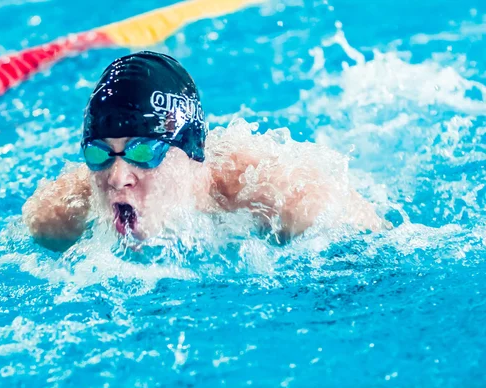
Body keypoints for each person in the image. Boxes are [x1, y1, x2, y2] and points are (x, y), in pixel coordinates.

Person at [22, 51, 384, 252]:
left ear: (190, 152)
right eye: (100, 154)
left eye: (143, 152)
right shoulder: (56, 217)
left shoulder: (288, 201)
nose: (117, 177)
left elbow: (380, 247)